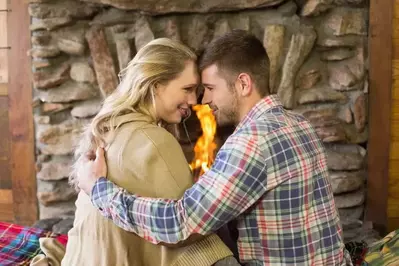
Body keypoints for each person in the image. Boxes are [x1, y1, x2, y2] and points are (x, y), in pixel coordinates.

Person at [78, 30, 353, 265]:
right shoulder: (298, 123)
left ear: (243, 83)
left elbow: (179, 224)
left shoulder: (251, 142)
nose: (202, 100)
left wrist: (99, 190)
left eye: (209, 87)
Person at [32, 38, 238, 266]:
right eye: (188, 89)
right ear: (156, 84)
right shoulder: (155, 140)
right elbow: (188, 230)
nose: (193, 100)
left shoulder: (108, 130)